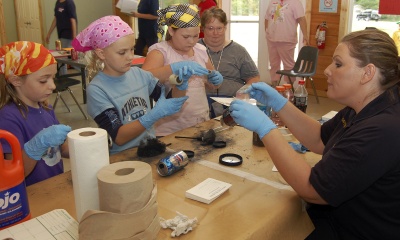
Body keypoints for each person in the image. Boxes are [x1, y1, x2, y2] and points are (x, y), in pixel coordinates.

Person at [230, 29, 400, 239]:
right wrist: (279, 103)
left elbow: (313, 190)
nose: (327, 70)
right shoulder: (362, 106)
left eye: (338, 64)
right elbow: (319, 138)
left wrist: (266, 129)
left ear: (367, 73)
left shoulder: (382, 129)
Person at [72, 15, 207, 154]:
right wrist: (153, 115)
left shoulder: (139, 75)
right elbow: (118, 137)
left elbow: (170, 101)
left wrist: (180, 85)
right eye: (122, 52)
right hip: (122, 157)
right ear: (101, 53)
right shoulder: (97, 89)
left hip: (149, 148)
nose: (130, 56)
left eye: (132, 49)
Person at [142, 3, 223, 137]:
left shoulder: (200, 50)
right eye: (186, 37)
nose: (191, 41)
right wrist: (173, 68)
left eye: (196, 36)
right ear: (172, 31)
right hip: (169, 129)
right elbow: (143, 79)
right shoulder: (160, 52)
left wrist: (215, 80)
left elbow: (211, 84)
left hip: (200, 122)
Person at [0, 41, 72, 186]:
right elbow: (16, 173)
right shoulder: (7, 118)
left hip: (53, 186)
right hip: (32, 195)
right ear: (16, 80)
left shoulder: (46, 108)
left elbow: (63, 148)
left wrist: (86, 145)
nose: (52, 86)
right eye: (43, 80)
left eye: (53, 77)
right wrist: (36, 147)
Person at [199, 7, 259, 117]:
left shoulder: (238, 50)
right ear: (203, 29)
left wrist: (242, 94)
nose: (215, 33)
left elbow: (254, 78)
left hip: (232, 104)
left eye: (219, 28)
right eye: (210, 28)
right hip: (200, 104)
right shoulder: (195, 49)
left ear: (225, 28)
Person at [264, 0, 308, 86]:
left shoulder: (295, 2)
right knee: (274, 64)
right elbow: (266, 18)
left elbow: (301, 19)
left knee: (289, 66)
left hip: (287, 39)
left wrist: (305, 35)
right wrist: (266, 31)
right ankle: (274, 86)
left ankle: (288, 88)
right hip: (272, 39)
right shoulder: (272, 1)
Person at [45, 0, 78, 75]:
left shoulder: (69, 3)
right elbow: (56, 19)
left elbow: (73, 20)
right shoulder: (58, 3)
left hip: (68, 36)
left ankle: (86, 71)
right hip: (61, 35)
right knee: (62, 58)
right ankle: (63, 77)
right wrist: (49, 33)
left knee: (69, 59)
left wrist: (74, 38)